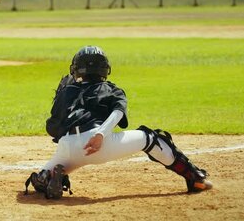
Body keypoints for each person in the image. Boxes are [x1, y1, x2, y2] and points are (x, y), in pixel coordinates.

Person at [25, 45, 213, 199]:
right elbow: (117, 112)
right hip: (98, 143)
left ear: (76, 68)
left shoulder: (66, 91)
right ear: (105, 69)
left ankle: (47, 178)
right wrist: (100, 134)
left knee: (42, 176)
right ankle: (194, 177)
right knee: (149, 137)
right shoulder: (111, 89)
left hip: (67, 147)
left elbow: (52, 128)